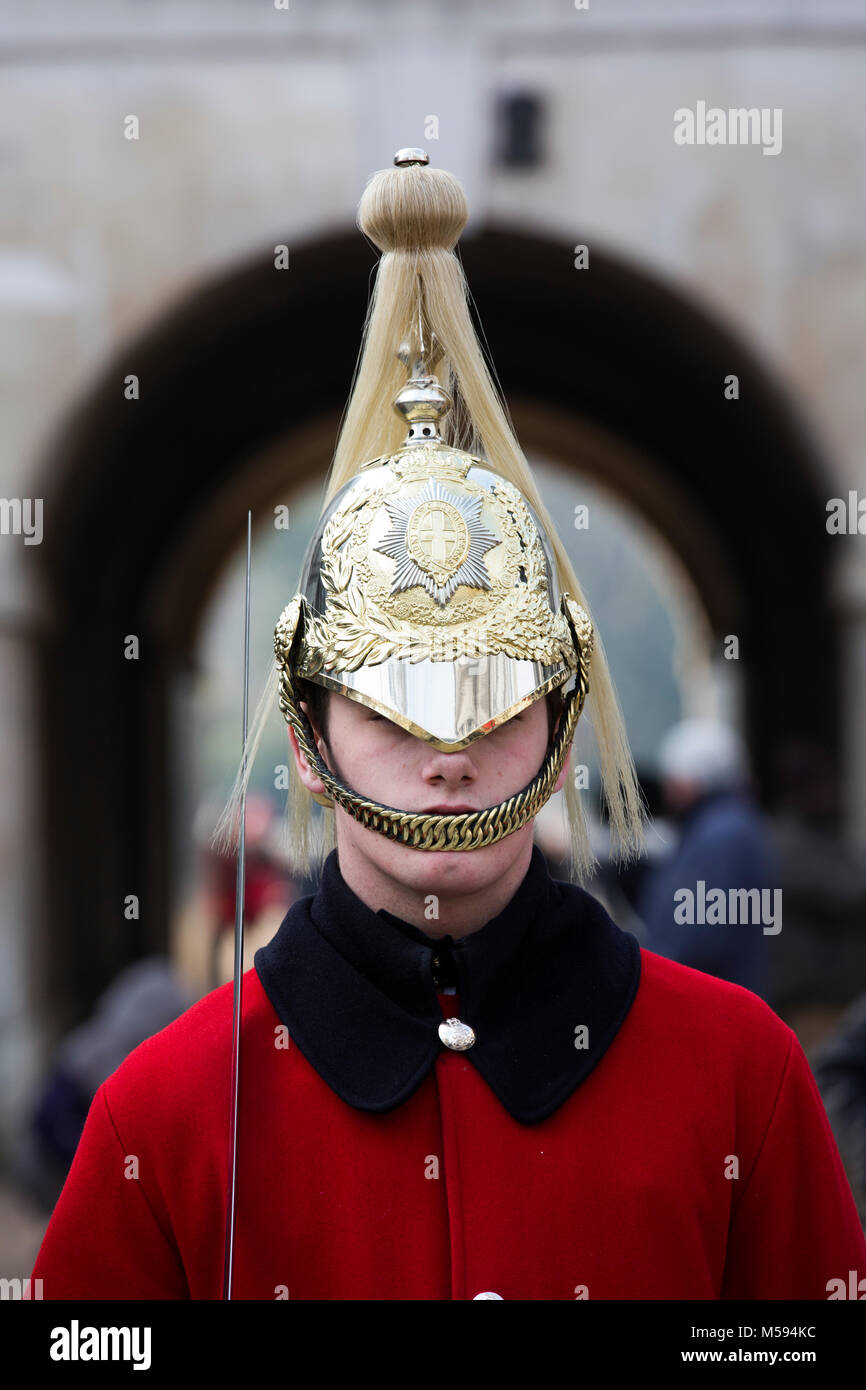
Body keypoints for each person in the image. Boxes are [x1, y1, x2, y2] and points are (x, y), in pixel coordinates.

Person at [30, 150, 866, 1300]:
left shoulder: (739, 1075)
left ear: (560, 729)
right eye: (391, 702)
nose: (448, 750)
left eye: (494, 694)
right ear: (309, 740)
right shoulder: (161, 1109)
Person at [636, 718, 777, 997]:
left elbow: (696, 937)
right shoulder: (724, 826)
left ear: (694, 778)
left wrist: (648, 977)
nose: (668, 788)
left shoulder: (721, 837)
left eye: (674, 777)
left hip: (711, 1003)